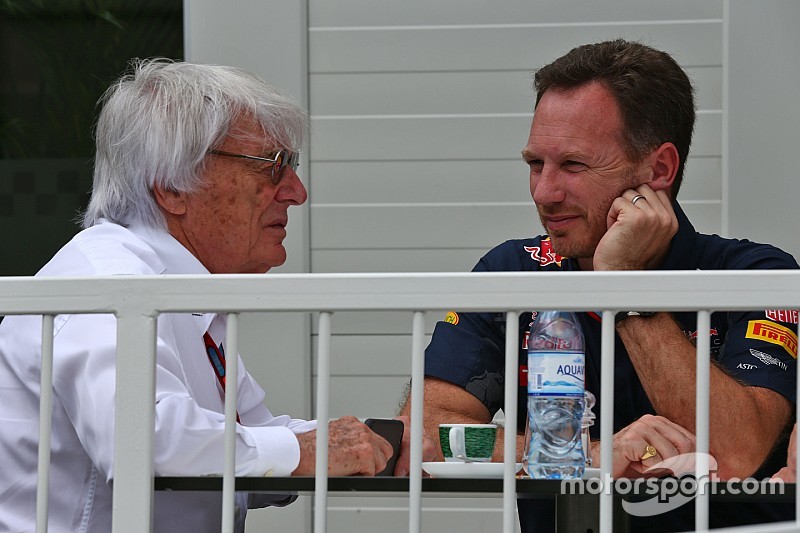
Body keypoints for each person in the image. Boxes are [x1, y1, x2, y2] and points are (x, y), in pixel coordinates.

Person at [0, 59, 434, 533]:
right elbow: (146, 443)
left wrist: (362, 443)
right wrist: (308, 451)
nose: (296, 191)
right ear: (171, 187)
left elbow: (242, 442)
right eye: (272, 166)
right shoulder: (108, 285)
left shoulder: (174, 288)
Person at [399, 39, 798, 531]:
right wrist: (583, 453)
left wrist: (625, 289)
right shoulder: (513, 271)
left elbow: (735, 454)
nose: (545, 192)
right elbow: (422, 434)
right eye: (534, 164)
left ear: (659, 170)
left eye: (573, 165)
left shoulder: (754, 275)